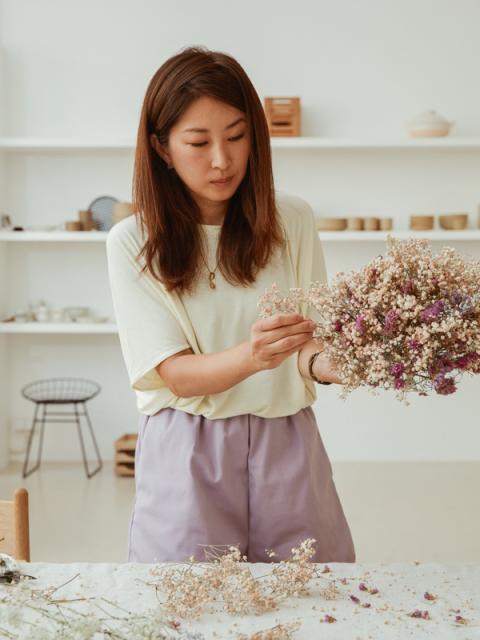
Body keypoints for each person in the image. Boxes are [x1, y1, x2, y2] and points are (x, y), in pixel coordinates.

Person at [106, 45, 355, 564]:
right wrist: (254, 356)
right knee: (186, 610)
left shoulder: (293, 221)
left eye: (238, 137)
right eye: (198, 142)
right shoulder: (133, 241)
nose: (222, 160)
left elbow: (307, 344)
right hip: (187, 449)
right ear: (161, 147)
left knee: (314, 602)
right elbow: (175, 374)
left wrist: (339, 363)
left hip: (288, 441)